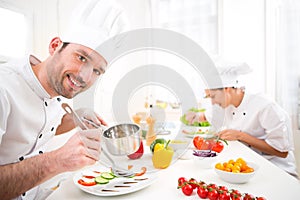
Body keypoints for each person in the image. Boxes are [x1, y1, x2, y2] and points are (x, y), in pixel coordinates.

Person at [0, 0, 128, 199]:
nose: (85, 77)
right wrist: (58, 160)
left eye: (96, 70)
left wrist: (76, 118)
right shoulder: (4, 88)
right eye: (81, 58)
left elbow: (35, 125)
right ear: (55, 46)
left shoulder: (53, 91)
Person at [188, 59, 298, 178]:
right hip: (247, 165)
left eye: (213, 96)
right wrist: (195, 116)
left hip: (277, 169)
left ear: (227, 89)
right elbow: (207, 116)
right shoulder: (226, 103)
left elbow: (282, 152)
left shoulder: (265, 105)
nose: (212, 102)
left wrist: (240, 136)